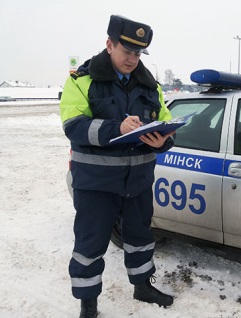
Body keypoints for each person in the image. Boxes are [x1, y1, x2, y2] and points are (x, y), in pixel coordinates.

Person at [59, 15, 175, 318]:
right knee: (90, 244)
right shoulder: (81, 81)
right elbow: (74, 127)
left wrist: (161, 140)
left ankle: (142, 286)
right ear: (109, 45)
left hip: (137, 182)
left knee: (140, 239)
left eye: (138, 54)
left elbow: (163, 122)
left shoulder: (151, 86)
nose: (133, 59)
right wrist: (117, 129)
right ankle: (89, 304)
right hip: (96, 183)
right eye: (127, 51)